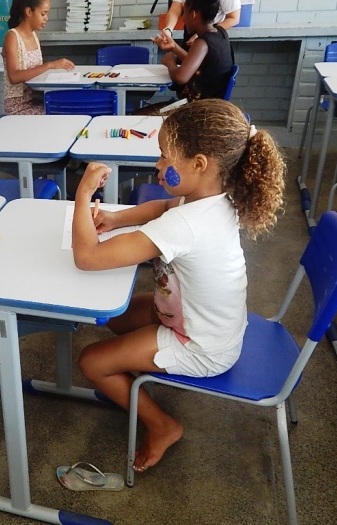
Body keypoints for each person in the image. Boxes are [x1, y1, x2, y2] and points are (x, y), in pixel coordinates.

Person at [71, 99, 285, 473]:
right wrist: (115, 219)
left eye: (164, 157)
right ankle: (136, 375)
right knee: (112, 316)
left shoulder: (187, 225)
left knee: (91, 361)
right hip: (206, 322)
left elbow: (87, 257)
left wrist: (82, 195)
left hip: (201, 346)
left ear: (199, 164)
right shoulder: (212, 196)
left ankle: (162, 425)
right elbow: (164, 207)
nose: (157, 165)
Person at [150, 0, 234, 104]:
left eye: (184, 13)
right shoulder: (220, 33)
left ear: (193, 15)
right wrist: (174, 47)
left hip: (198, 108)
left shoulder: (202, 42)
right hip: (212, 104)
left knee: (140, 112)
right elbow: (195, 64)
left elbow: (180, 77)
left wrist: (170, 62)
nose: (183, 19)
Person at [2, 0, 75, 115]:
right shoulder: (12, 37)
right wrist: (50, 65)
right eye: (43, 14)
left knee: (68, 106)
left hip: (36, 99)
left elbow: (36, 72)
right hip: (19, 106)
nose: (46, 18)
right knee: (61, 114)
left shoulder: (34, 35)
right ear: (29, 11)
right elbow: (14, 77)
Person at [161, 0, 240, 48]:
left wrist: (206, 34)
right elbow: (174, 10)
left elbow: (233, 18)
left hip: (213, 33)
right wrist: (168, 30)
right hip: (191, 30)